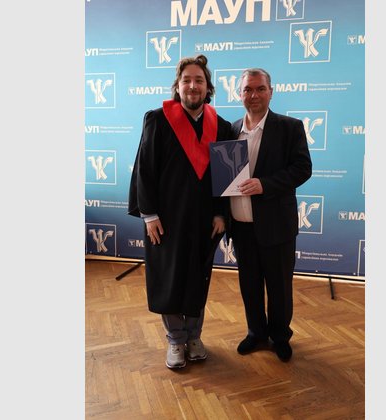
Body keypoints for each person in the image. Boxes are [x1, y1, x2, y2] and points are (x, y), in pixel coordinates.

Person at [128, 55, 231, 369]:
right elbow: (145, 169)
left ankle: (194, 336)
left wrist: (221, 213)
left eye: (199, 80)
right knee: (169, 278)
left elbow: (226, 178)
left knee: (198, 277)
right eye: (187, 80)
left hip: (204, 220)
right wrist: (149, 214)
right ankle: (175, 340)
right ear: (178, 86)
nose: (193, 86)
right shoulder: (157, 120)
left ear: (208, 87)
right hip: (166, 220)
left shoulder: (222, 126)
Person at [228, 68, 312, 362]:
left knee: (279, 288)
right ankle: (256, 333)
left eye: (260, 89)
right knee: (249, 285)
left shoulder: (289, 127)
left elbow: (302, 169)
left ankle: (280, 336)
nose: (254, 95)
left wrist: (265, 184)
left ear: (271, 92)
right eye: (247, 89)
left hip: (276, 226)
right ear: (239, 94)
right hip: (241, 227)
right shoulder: (230, 130)